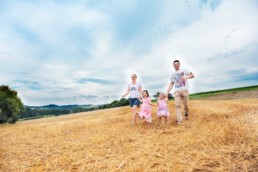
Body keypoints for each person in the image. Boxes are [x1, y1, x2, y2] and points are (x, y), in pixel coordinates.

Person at [166, 60, 195, 125]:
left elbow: (192, 75)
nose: (176, 65)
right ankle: (180, 120)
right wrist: (167, 91)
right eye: (175, 64)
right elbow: (171, 83)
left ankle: (186, 113)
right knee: (177, 105)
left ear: (179, 64)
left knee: (186, 106)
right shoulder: (172, 74)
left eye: (177, 64)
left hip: (185, 90)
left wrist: (185, 77)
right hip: (177, 91)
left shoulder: (184, 70)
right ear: (173, 65)